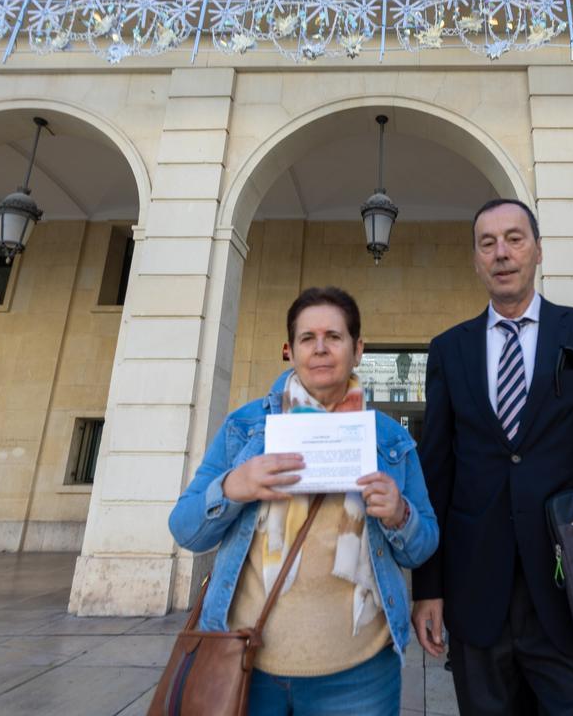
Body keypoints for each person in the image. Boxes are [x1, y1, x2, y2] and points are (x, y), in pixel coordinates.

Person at [411, 199, 573, 715]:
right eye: (487, 243)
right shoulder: (448, 350)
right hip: (477, 597)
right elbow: (436, 474)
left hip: (571, 595)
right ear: (477, 260)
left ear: (538, 250)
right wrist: (427, 589)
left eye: (514, 239)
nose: (501, 253)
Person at [169, 286, 438, 716]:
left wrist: (401, 515)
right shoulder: (245, 428)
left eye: (334, 337)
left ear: (358, 349)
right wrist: (233, 486)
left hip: (360, 676)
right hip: (247, 665)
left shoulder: (391, 439)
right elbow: (185, 529)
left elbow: (424, 545)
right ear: (289, 351)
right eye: (307, 338)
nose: (320, 349)